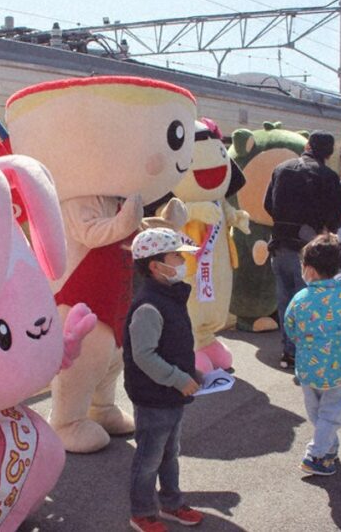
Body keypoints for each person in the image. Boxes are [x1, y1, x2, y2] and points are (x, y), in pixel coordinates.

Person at [123, 228, 205, 532]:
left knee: (170, 453)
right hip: (154, 396)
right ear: (156, 266)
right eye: (176, 256)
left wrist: (189, 374)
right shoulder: (148, 305)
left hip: (170, 393)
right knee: (149, 457)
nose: (182, 261)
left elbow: (173, 344)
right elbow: (144, 356)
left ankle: (171, 503)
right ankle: (142, 512)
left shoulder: (167, 295)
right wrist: (178, 378)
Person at [283, 234, 341, 476]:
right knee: (330, 416)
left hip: (307, 369)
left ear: (309, 270)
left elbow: (290, 327)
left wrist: (304, 343)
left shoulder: (299, 299)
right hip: (339, 370)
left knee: (317, 414)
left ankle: (327, 450)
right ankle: (316, 454)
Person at [265, 131, 341, 370]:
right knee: (308, 306)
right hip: (309, 252)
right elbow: (334, 216)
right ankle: (306, 354)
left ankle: (288, 352)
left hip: (278, 245)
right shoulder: (328, 177)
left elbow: (268, 204)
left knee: (285, 301)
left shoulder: (281, 168)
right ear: (329, 153)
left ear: (307, 145)